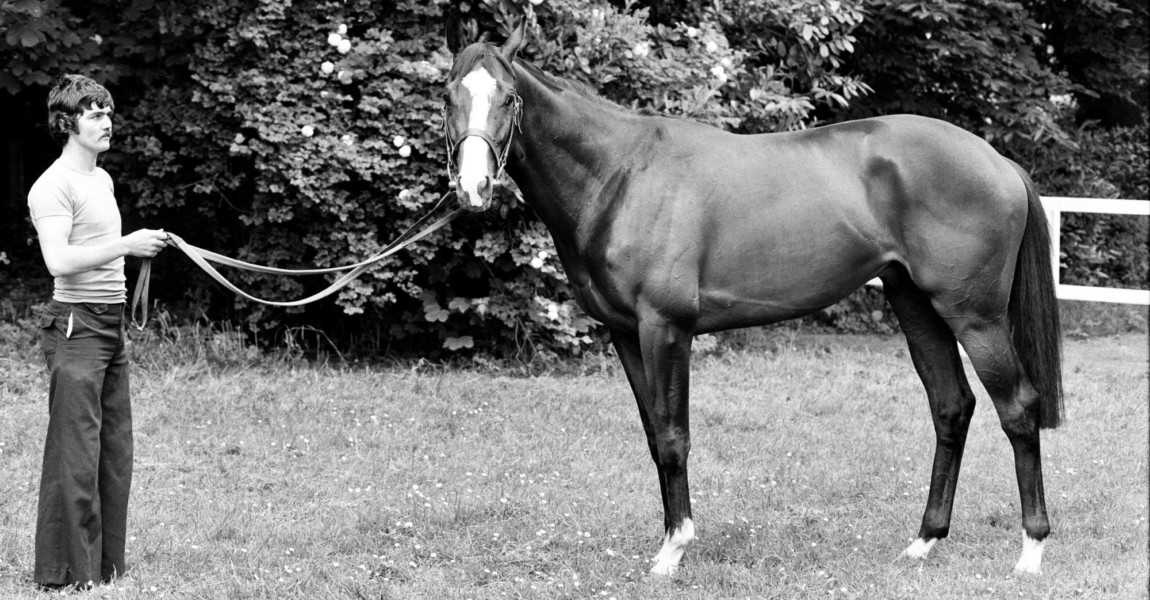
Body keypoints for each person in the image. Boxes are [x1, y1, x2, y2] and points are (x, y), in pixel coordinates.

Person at [26, 74, 168, 590]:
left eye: (108, 111)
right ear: (67, 123)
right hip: (76, 326)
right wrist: (127, 245)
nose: (107, 122)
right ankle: (65, 572)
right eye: (94, 114)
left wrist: (134, 247)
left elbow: (108, 251)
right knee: (76, 453)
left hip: (110, 326)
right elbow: (58, 260)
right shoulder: (52, 185)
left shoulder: (101, 180)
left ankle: (105, 569)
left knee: (114, 452)